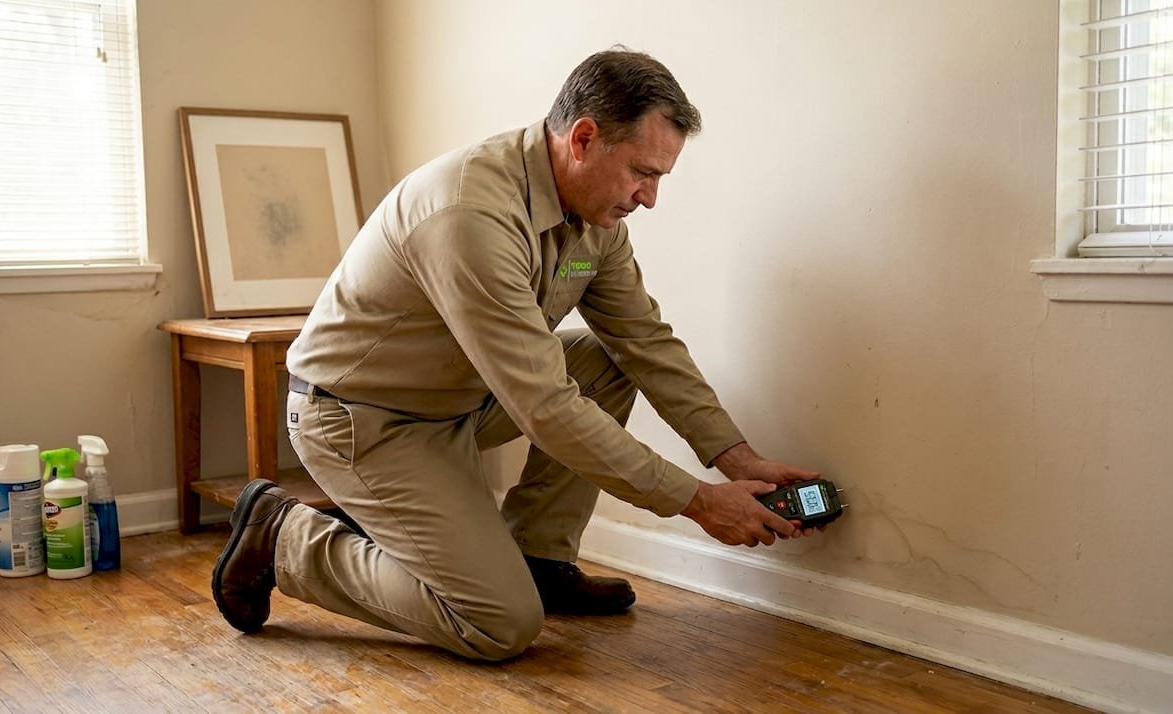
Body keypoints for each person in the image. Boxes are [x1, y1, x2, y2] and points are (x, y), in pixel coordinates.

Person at [211, 48, 822, 662]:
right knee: (498, 622)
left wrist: (738, 459)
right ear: (583, 139)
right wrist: (697, 501)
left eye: (660, 177)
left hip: (460, 401)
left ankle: (540, 558)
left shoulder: (597, 225)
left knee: (608, 360)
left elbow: (645, 343)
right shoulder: (471, 214)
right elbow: (545, 407)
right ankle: (285, 538)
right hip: (361, 419)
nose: (650, 197)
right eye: (643, 172)